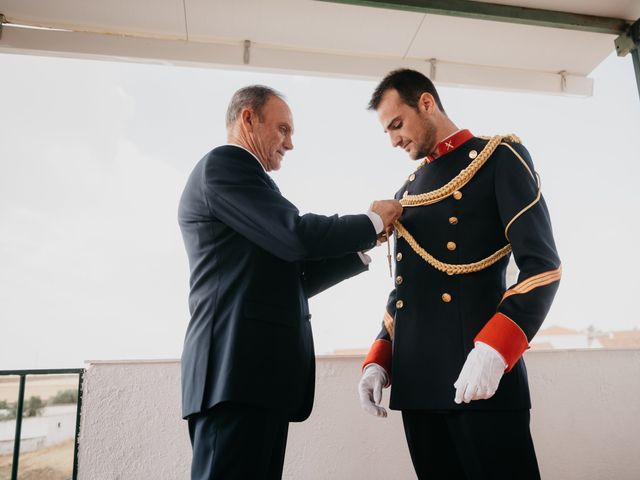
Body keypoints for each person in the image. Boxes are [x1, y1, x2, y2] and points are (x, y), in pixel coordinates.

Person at [178, 85, 402, 480]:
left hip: (252, 383)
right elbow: (295, 235)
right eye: (283, 129)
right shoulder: (225, 166)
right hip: (231, 380)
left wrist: (358, 251)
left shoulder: (249, 184)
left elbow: (283, 279)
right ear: (248, 118)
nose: (290, 143)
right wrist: (370, 223)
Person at [358, 69, 561, 479]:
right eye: (386, 132)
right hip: (417, 384)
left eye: (397, 124)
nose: (394, 139)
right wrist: (379, 358)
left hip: (478, 375)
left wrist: (496, 349)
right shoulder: (406, 193)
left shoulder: (499, 158)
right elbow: (406, 290)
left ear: (427, 103)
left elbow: (542, 266)